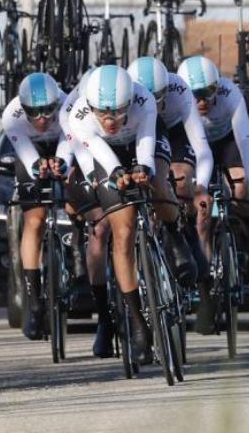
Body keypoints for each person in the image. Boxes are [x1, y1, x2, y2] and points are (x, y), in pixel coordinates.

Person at [68, 64, 194, 363]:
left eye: (118, 111)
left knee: (160, 184)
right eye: (102, 113)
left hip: (141, 143)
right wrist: (117, 173)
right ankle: (137, 325)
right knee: (122, 234)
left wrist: (144, 168)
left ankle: (175, 236)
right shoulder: (79, 116)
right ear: (90, 107)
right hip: (106, 154)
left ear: (130, 101)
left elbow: (147, 140)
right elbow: (99, 151)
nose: (110, 120)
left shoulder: (143, 100)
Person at [177, 56, 249, 333]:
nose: (202, 101)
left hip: (226, 142)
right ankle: (205, 286)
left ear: (218, 87)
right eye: (195, 95)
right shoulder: (179, 103)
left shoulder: (231, 96)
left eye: (207, 93)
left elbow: (247, 144)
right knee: (203, 211)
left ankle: (247, 233)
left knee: (239, 187)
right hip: (195, 145)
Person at [128, 56, 213, 283]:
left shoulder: (179, 91)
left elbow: (200, 146)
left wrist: (201, 187)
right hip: (139, 133)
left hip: (175, 132)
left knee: (181, 178)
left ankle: (188, 234)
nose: (149, 102)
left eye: (156, 97)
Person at [1, 72, 71, 340]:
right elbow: (26, 155)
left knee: (77, 195)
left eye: (47, 112)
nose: (41, 119)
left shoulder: (67, 106)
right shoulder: (12, 115)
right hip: (30, 150)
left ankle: (76, 256)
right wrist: (36, 166)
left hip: (64, 144)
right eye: (34, 113)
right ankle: (33, 300)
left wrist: (63, 164)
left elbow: (71, 145)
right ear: (23, 108)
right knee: (35, 220)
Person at [59, 69, 114, 358]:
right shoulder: (71, 109)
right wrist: (94, 179)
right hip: (87, 161)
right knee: (102, 227)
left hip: (122, 152)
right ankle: (104, 317)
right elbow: (78, 152)